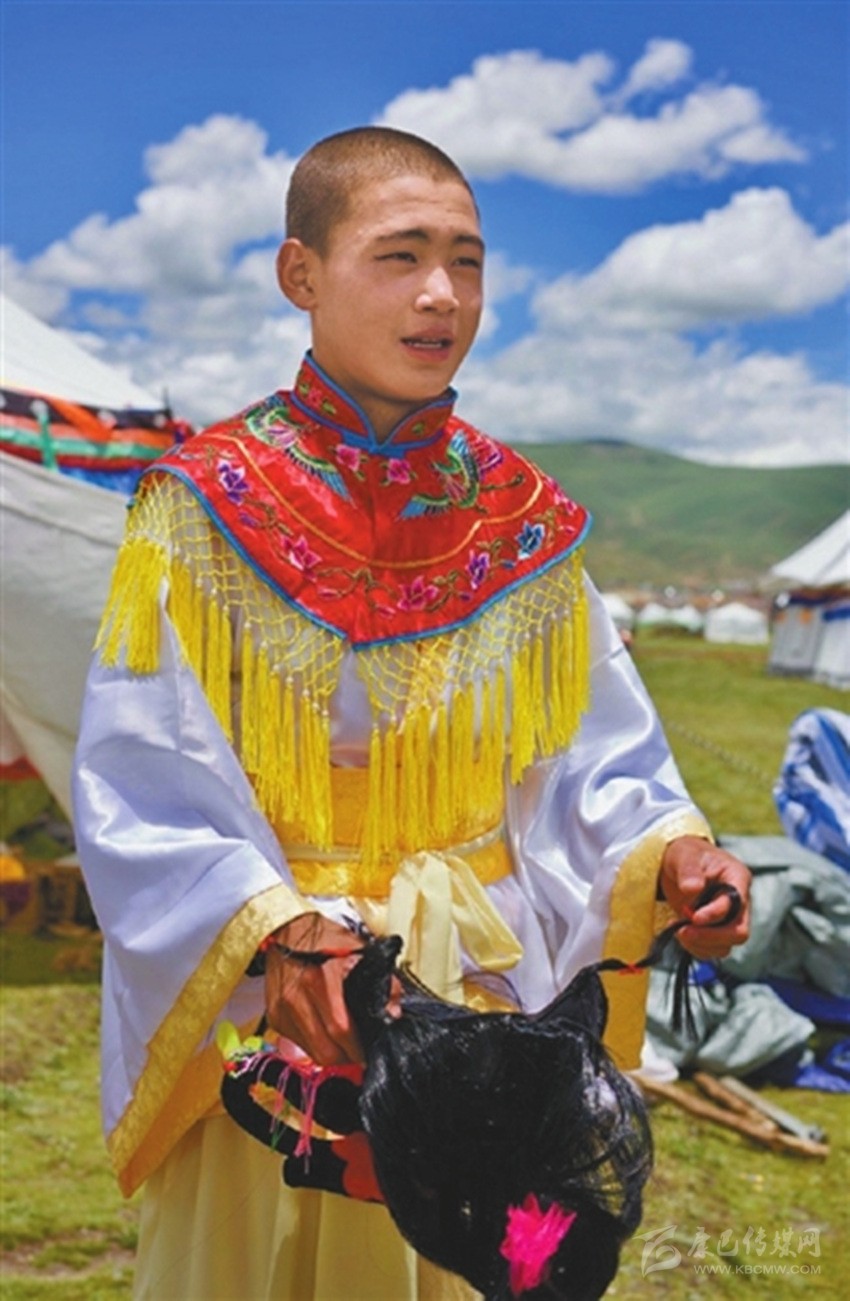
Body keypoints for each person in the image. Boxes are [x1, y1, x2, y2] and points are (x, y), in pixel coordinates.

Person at [73, 126, 751, 1300]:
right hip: (291, 998)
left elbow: (595, 759)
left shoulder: (526, 525)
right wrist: (278, 930)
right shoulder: (201, 508)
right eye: (400, 255)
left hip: (482, 996)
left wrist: (674, 851)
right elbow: (147, 774)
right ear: (300, 274)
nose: (442, 293)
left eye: (466, 261)